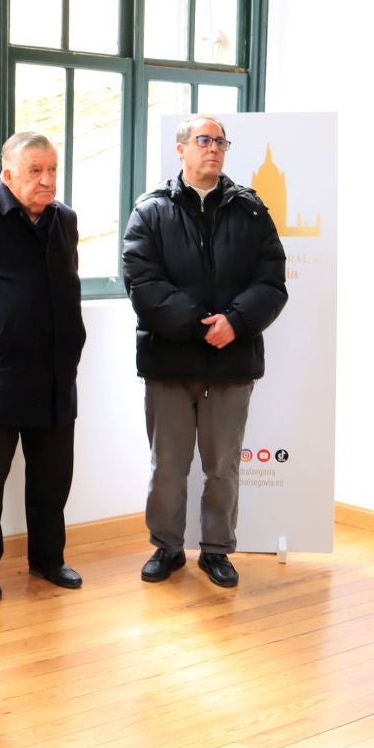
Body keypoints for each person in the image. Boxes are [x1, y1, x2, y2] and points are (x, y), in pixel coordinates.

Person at [121, 115, 287, 589]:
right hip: (170, 363)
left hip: (231, 363)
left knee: (222, 468)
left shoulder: (251, 210)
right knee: (169, 467)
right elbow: (143, 283)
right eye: (203, 140)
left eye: (220, 142)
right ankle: (166, 547)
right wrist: (202, 327)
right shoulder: (150, 211)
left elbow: (271, 281)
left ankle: (216, 551)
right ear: (181, 149)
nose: (213, 148)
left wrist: (235, 322)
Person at [0, 131, 86, 601]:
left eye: (52, 170)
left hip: (55, 374)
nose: (47, 180)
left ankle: (49, 559)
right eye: (35, 171)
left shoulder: (64, 220)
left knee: (53, 479)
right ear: (8, 175)